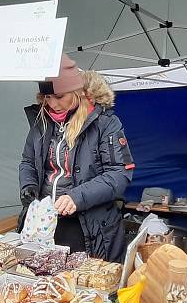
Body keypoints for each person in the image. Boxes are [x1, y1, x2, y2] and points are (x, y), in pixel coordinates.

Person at [19, 55, 134, 262]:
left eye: (59, 96)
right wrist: (28, 186)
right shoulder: (41, 121)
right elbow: (28, 161)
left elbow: (119, 174)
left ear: (77, 91)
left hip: (87, 227)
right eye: (46, 98)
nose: (52, 104)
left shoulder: (106, 124)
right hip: (44, 223)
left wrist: (77, 197)